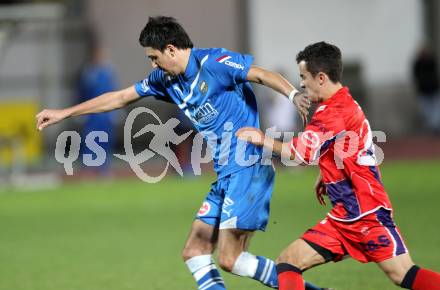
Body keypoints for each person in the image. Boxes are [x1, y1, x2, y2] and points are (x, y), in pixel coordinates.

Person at [35, 16, 329, 290]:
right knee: (195, 251)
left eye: (154, 57)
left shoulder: (213, 62)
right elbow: (121, 97)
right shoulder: (165, 80)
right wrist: (65, 113)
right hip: (226, 173)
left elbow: (261, 75)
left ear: (171, 49)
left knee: (230, 259)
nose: (153, 66)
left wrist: (293, 95)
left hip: (248, 166)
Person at [237, 41, 440, 290]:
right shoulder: (346, 102)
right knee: (287, 262)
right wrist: (328, 173)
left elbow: (299, 154)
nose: (301, 84)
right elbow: (352, 146)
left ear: (321, 77)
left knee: (405, 275)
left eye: (304, 77)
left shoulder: (330, 113)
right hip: (346, 216)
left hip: (366, 214)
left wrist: (262, 139)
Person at [412, 45, 440, 134]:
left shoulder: (431, 61)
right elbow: (415, 75)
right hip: (423, 90)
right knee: (426, 111)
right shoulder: (417, 63)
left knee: (435, 110)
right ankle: (432, 127)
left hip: (433, 89)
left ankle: (435, 127)